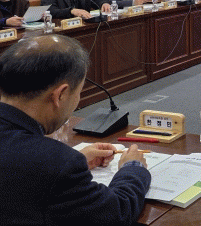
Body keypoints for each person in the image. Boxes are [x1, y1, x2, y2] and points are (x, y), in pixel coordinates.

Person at [0, 34, 150, 226]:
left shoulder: (51, 161)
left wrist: (73, 161)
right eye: (79, 92)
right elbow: (116, 213)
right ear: (60, 95)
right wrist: (133, 168)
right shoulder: (55, 163)